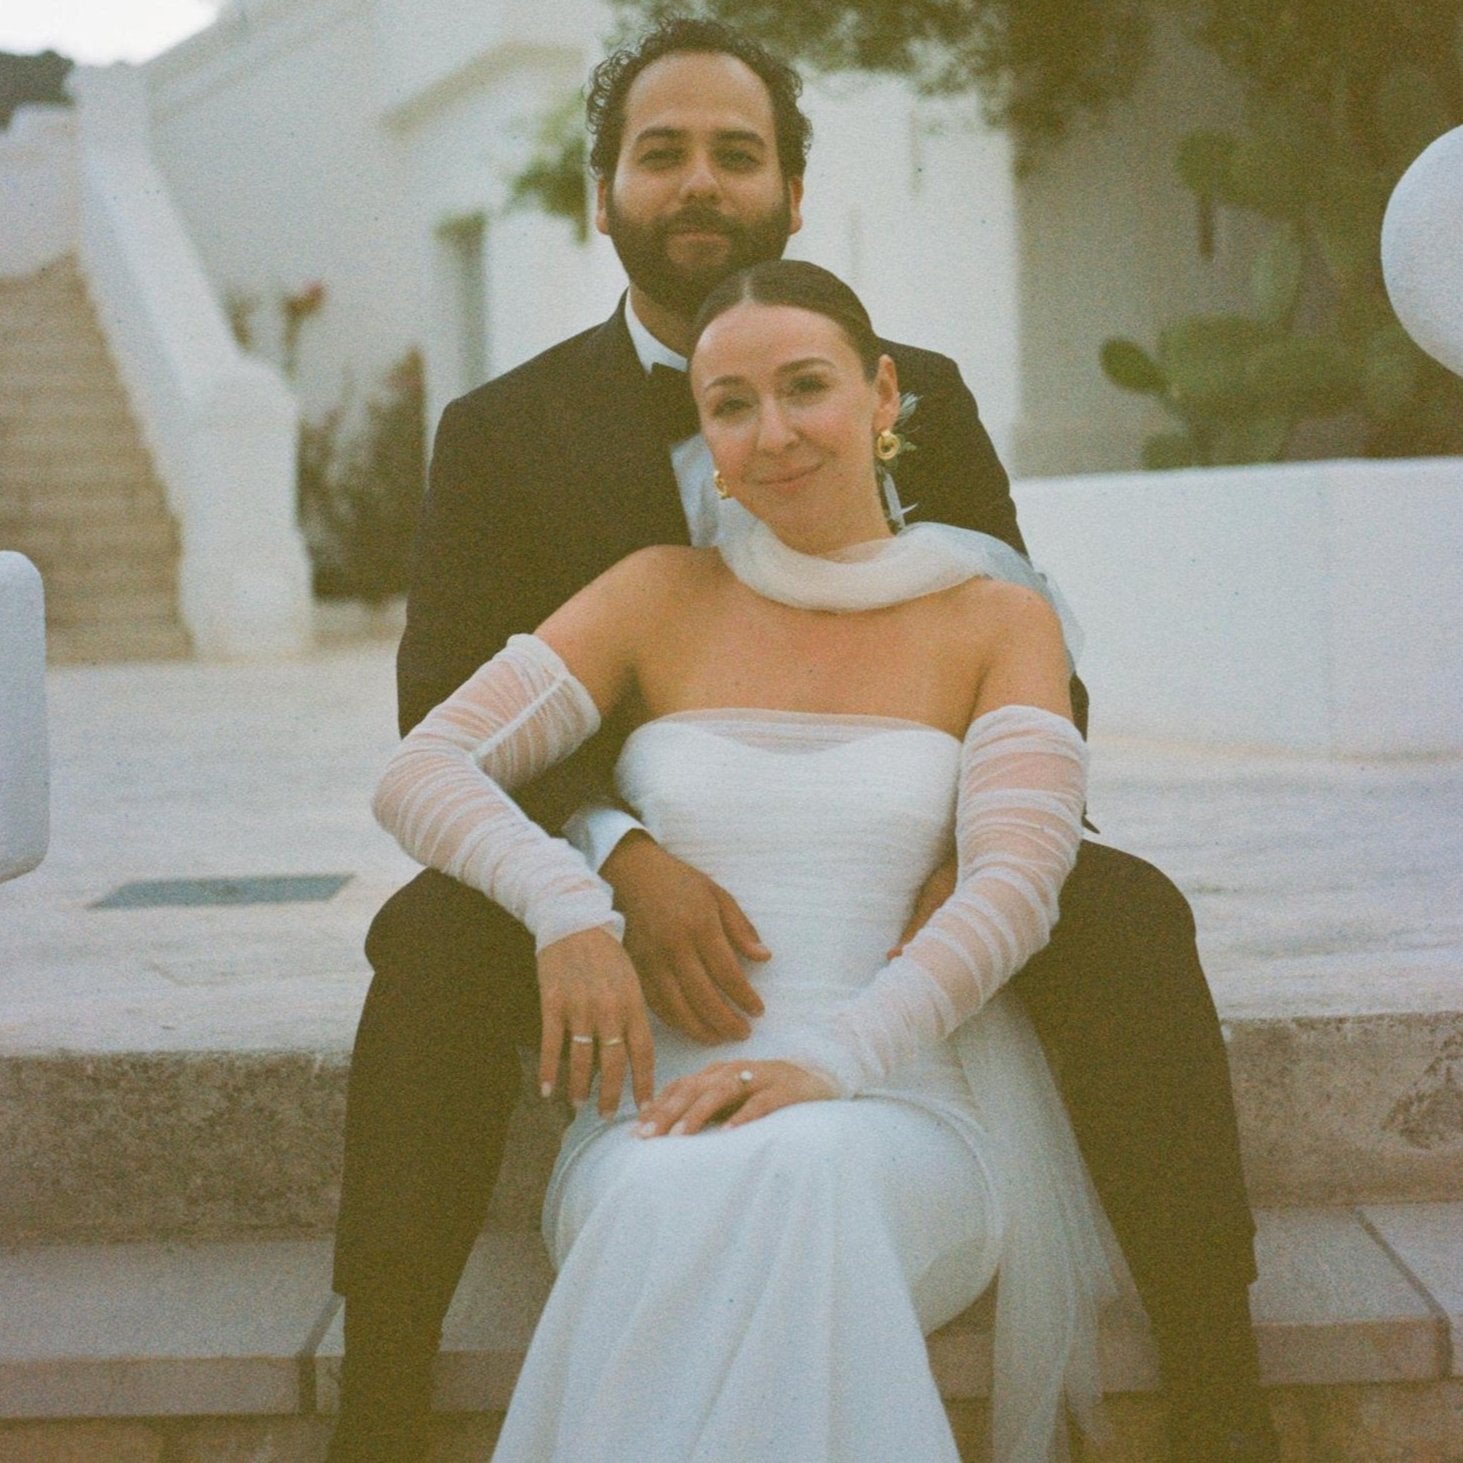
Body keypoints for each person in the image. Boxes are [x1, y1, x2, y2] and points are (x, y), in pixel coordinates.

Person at [329, 19, 1275, 1461]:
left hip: (887, 861)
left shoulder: (924, 388)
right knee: (432, 942)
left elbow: (1017, 638)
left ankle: (1218, 1378)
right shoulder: (500, 428)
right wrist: (607, 861)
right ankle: (382, 1394)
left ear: (786, 189)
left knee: (1126, 912)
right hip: (624, 844)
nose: (699, 181)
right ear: (602, 194)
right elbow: (441, 704)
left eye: (735, 152)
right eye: (662, 153)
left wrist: (966, 837)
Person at [374, 257, 1118, 1461]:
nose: (770, 432)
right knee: (690, 1188)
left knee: (804, 1170)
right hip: (650, 1130)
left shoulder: (996, 619)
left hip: (895, 1110)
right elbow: (424, 765)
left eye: (804, 386)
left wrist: (826, 1060)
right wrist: (568, 900)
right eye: (729, 404)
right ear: (706, 438)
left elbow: (1016, 884)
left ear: (881, 397)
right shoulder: (653, 597)